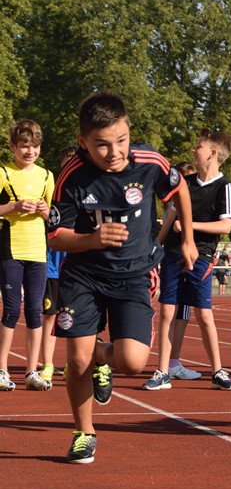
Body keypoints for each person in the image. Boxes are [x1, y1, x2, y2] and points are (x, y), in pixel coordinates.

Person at [47, 92, 197, 464]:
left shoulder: (150, 162)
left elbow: (179, 190)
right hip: (84, 276)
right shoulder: (72, 176)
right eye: (101, 144)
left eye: (121, 140)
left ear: (129, 130)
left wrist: (189, 239)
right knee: (76, 361)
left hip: (134, 274)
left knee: (133, 362)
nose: (114, 152)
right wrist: (92, 239)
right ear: (83, 142)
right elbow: (55, 236)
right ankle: (84, 433)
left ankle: (102, 356)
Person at [143, 128, 231, 391]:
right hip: (173, 253)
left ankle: (217, 370)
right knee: (167, 311)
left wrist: (189, 226)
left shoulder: (225, 186)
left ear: (213, 153)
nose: (194, 150)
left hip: (201, 256)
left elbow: (225, 226)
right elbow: (171, 217)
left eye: (199, 146)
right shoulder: (184, 183)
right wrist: (156, 246)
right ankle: (163, 371)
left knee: (204, 314)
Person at [0, 119, 54, 392]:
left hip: (38, 251)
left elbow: (54, 216)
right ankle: (2, 369)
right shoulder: (3, 172)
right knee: (11, 309)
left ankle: (32, 371)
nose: (29, 151)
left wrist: (45, 211)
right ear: (13, 146)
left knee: (35, 311)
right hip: (11, 249)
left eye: (34, 146)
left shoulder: (46, 176)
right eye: (24, 146)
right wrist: (15, 206)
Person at [158, 161, 201, 381]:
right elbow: (165, 231)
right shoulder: (175, 204)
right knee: (172, 312)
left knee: (181, 314)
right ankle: (169, 364)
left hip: (190, 257)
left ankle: (172, 363)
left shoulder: (194, 202)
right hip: (174, 257)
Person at [40, 145, 78, 385]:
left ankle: (72, 364)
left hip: (77, 266)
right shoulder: (52, 193)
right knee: (50, 315)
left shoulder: (88, 192)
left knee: (77, 317)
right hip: (53, 266)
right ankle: (47, 364)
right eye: (65, 167)